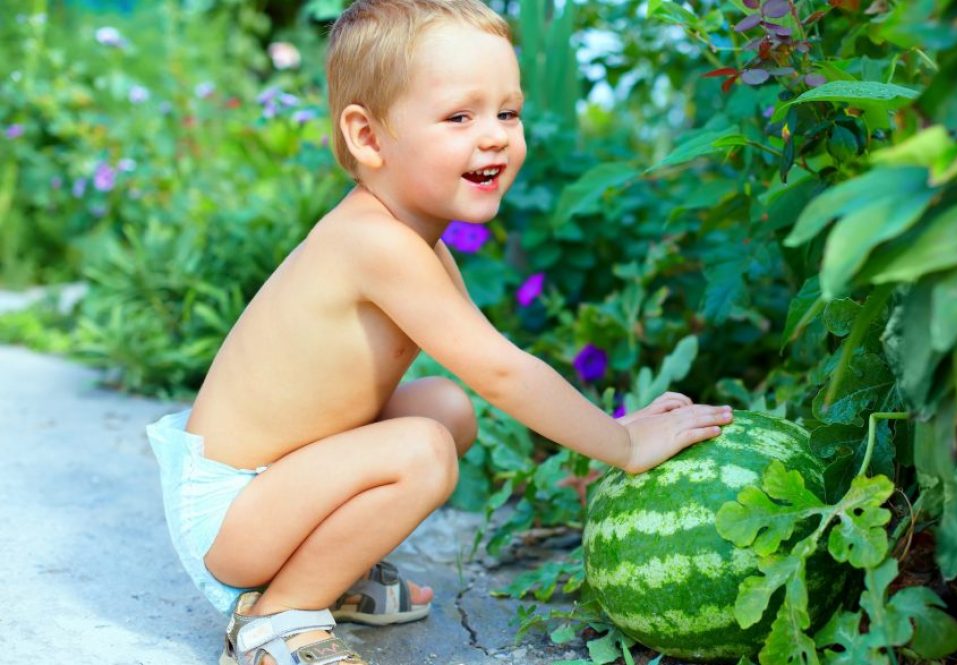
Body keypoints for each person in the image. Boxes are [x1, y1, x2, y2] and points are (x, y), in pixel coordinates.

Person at [145, 0, 734, 663]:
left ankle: (325, 568)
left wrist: (607, 428)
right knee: (423, 450)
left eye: (507, 112)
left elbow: (489, 362)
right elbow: (504, 373)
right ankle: (275, 615)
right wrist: (621, 441)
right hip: (235, 511)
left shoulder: (418, 241)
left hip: (281, 483)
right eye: (459, 116)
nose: (494, 136)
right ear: (369, 139)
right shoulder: (374, 243)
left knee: (444, 407)